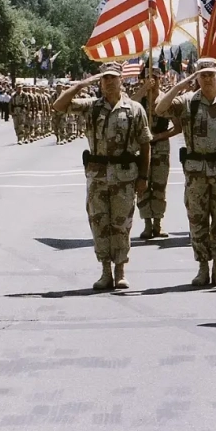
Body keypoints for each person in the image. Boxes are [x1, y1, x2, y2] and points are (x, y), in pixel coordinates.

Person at [52, 62, 151, 290]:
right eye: (105, 78)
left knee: (122, 224)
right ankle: (105, 271)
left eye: (113, 78)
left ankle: (121, 270)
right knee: (99, 224)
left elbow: (146, 144)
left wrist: (143, 177)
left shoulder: (135, 109)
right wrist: (81, 84)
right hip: (97, 176)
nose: (108, 82)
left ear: (121, 80)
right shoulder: (92, 107)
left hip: (125, 176)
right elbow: (59, 106)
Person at [156, 58, 216, 287]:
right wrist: (180, 85)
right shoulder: (188, 102)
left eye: (210, 74)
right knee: (197, 220)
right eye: (202, 74)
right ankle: (202, 266)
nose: (207, 78)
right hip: (196, 171)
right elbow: (160, 108)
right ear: (196, 77)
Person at [132, 68, 181, 239]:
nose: (152, 81)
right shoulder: (139, 99)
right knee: (142, 185)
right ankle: (146, 223)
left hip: (160, 146)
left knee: (159, 185)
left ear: (160, 79)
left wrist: (160, 135)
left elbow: (178, 126)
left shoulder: (165, 100)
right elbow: (128, 106)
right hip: (141, 146)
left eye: (155, 78)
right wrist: (144, 89)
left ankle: (158, 223)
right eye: (148, 78)